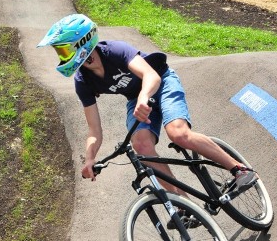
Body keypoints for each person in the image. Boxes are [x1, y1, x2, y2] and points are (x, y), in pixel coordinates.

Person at [37, 14, 259, 201]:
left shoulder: (114, 50)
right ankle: (183, 202)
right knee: (141, 146)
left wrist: (144, 96)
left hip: (161, 82)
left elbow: (151, 75)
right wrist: (89, 158)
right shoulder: (82, 81)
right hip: (137, 97)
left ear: (81, 42)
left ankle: (239, 170)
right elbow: (94, 130)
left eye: (63, 50)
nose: (61, 57)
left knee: (178, 133)